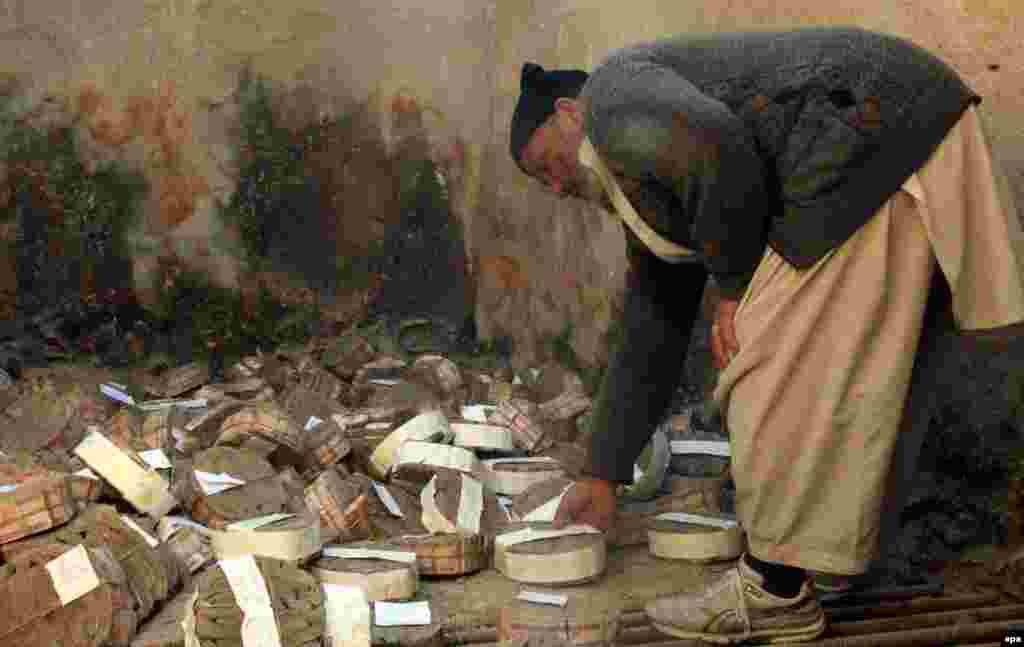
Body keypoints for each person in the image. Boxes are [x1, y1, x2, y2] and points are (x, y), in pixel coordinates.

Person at [508, 26, 1024, 644]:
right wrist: (603, 471)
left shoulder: (614, 97)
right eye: (545, 186)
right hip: (898, 126)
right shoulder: (645, 186)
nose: (559, 186)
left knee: (759, 356)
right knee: (861, 372)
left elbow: (716, 146)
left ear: (570, 112)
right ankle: (824, 567)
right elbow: (654, 324)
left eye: (548, 166)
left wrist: (733, 287)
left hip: (862, 133)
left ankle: (774, 589)